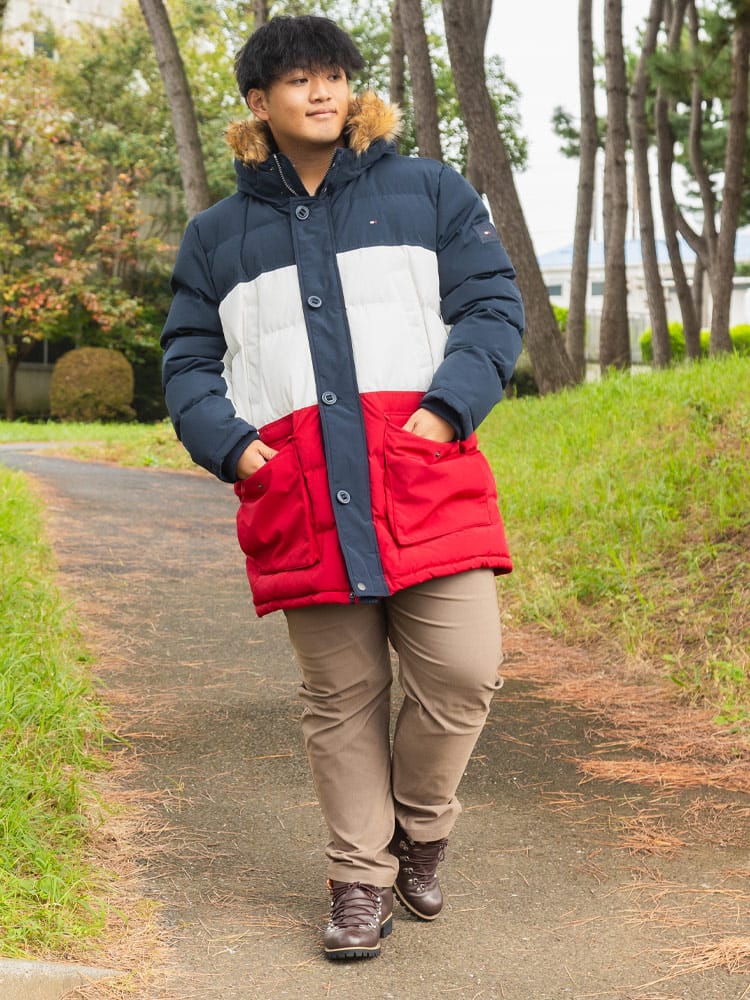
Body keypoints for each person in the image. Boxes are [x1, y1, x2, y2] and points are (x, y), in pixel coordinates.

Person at [161, 14, 524, 962]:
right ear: (259, 102)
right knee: (343, 696)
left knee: (464, 671)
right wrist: (239, 451)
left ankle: (421, 826)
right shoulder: (216, 235)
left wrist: (444, 411)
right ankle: (359, 880)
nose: (321, 92)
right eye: (297, 80)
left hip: (422, 473)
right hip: (302, 491)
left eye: (334, 75)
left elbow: (492, 305)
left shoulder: (430, 190)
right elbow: (188, 362)